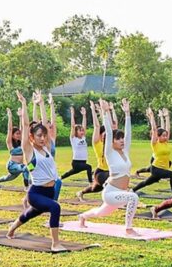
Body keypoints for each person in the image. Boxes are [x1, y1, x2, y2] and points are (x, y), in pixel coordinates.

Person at [5, 93, 68, 251]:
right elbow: (26, 125)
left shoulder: (47, 149)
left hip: (49, 191)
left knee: (29, 214)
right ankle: (55, 244)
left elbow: (46, 125)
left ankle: (11, 229)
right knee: (55, 207)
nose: (42, 138)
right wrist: (25, 105)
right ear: (31, 137)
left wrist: (41, 104)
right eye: (39, 136)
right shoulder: (29, 151)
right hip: (36, 193)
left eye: (44, 136)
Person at [77, 99, 142, 236]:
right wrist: (105, 113)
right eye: (118, 139)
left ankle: (83, 216)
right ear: (111, 142)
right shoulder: (109, 153)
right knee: (133, 197)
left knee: (99, 213)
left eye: (122, 138)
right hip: (110, 194)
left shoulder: (125, 152)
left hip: (120, 194)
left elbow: (128, 134)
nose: (122, 140)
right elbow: (108, 131)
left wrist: (128, 114)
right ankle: (128, 228)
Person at [132, 106, 172, 195]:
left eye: (166, 135)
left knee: (146, 182)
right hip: (156, 168)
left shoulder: (165, 143)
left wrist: (167, 117)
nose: (165, 137)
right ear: (158, 136)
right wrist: (152, 116)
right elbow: (154, 129)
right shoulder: (155, 144)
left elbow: (168, 128)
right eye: (163, 136)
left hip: (162, 168)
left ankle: (132, 190)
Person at [77, 101, 110, 202]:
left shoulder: (110, 144)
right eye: (104, 134)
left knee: (95, 188)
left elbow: (109, 125)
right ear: (100, 135)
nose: (106, 135)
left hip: (109, 171)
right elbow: (96, 126)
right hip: (101, 172)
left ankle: (81, 192)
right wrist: (93, 110)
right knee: (113, 182)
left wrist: (105, 111)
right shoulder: (97, 143)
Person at [0, 108, 31, 189]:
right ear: (12, 135)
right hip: (12, 165)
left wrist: (21, 116)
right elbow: (9, 129)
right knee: (25, 168)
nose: (19, 135)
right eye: (17, 134)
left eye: (19, 134)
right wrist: (10, 117)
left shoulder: (21, 142)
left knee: (9, 178)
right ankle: (27, 186)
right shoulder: (10, 143)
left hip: (19, 166)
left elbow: (23, 128)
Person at [60, 106, 93, 182]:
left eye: (82, 131)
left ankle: (60, 178)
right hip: (76, 162)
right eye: (80, 131)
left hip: (83, 161)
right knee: (89, 167)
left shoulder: (83, 138)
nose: (82, 132)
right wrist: (72, 114)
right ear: (76, 132)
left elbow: (84, 125)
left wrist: (84, 115)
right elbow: (72, 126)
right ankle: (91, 183)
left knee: (71, 172)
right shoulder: (73, 139)